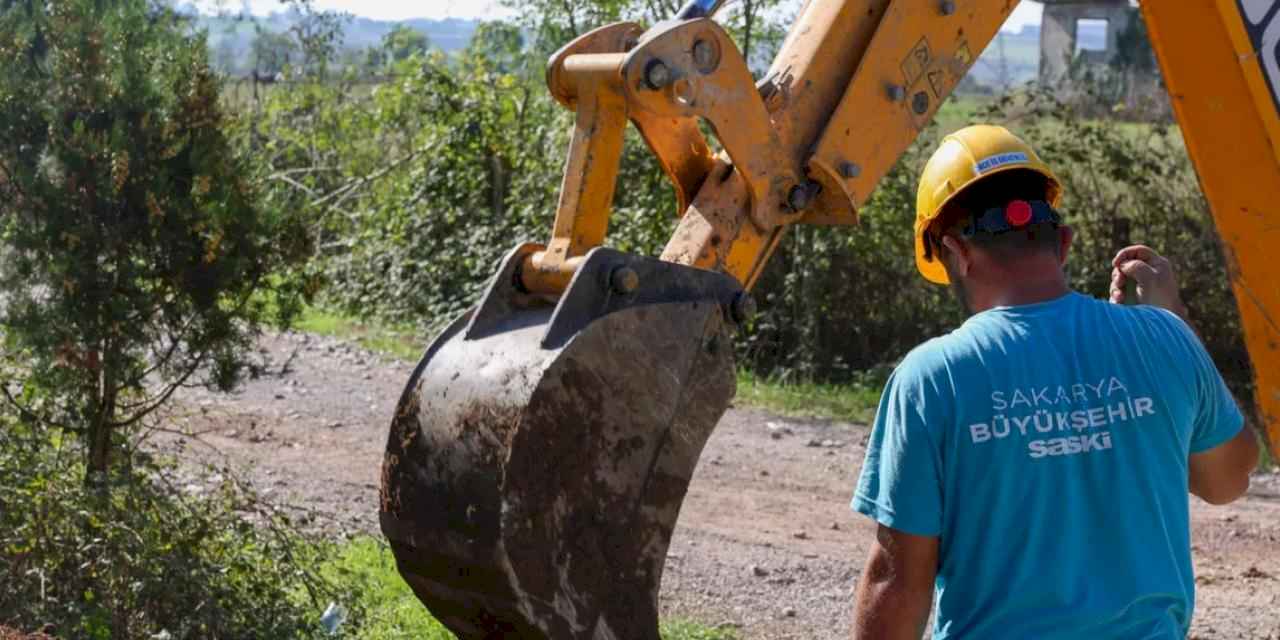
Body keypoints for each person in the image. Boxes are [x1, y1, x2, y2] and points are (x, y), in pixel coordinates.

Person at [850, 125, 1260, 639]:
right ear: (1062, 243)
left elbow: (897, 583)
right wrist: (1176, 323)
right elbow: (1229, 480)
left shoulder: (933, 379)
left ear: (957, 253)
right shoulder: (1165, 340)